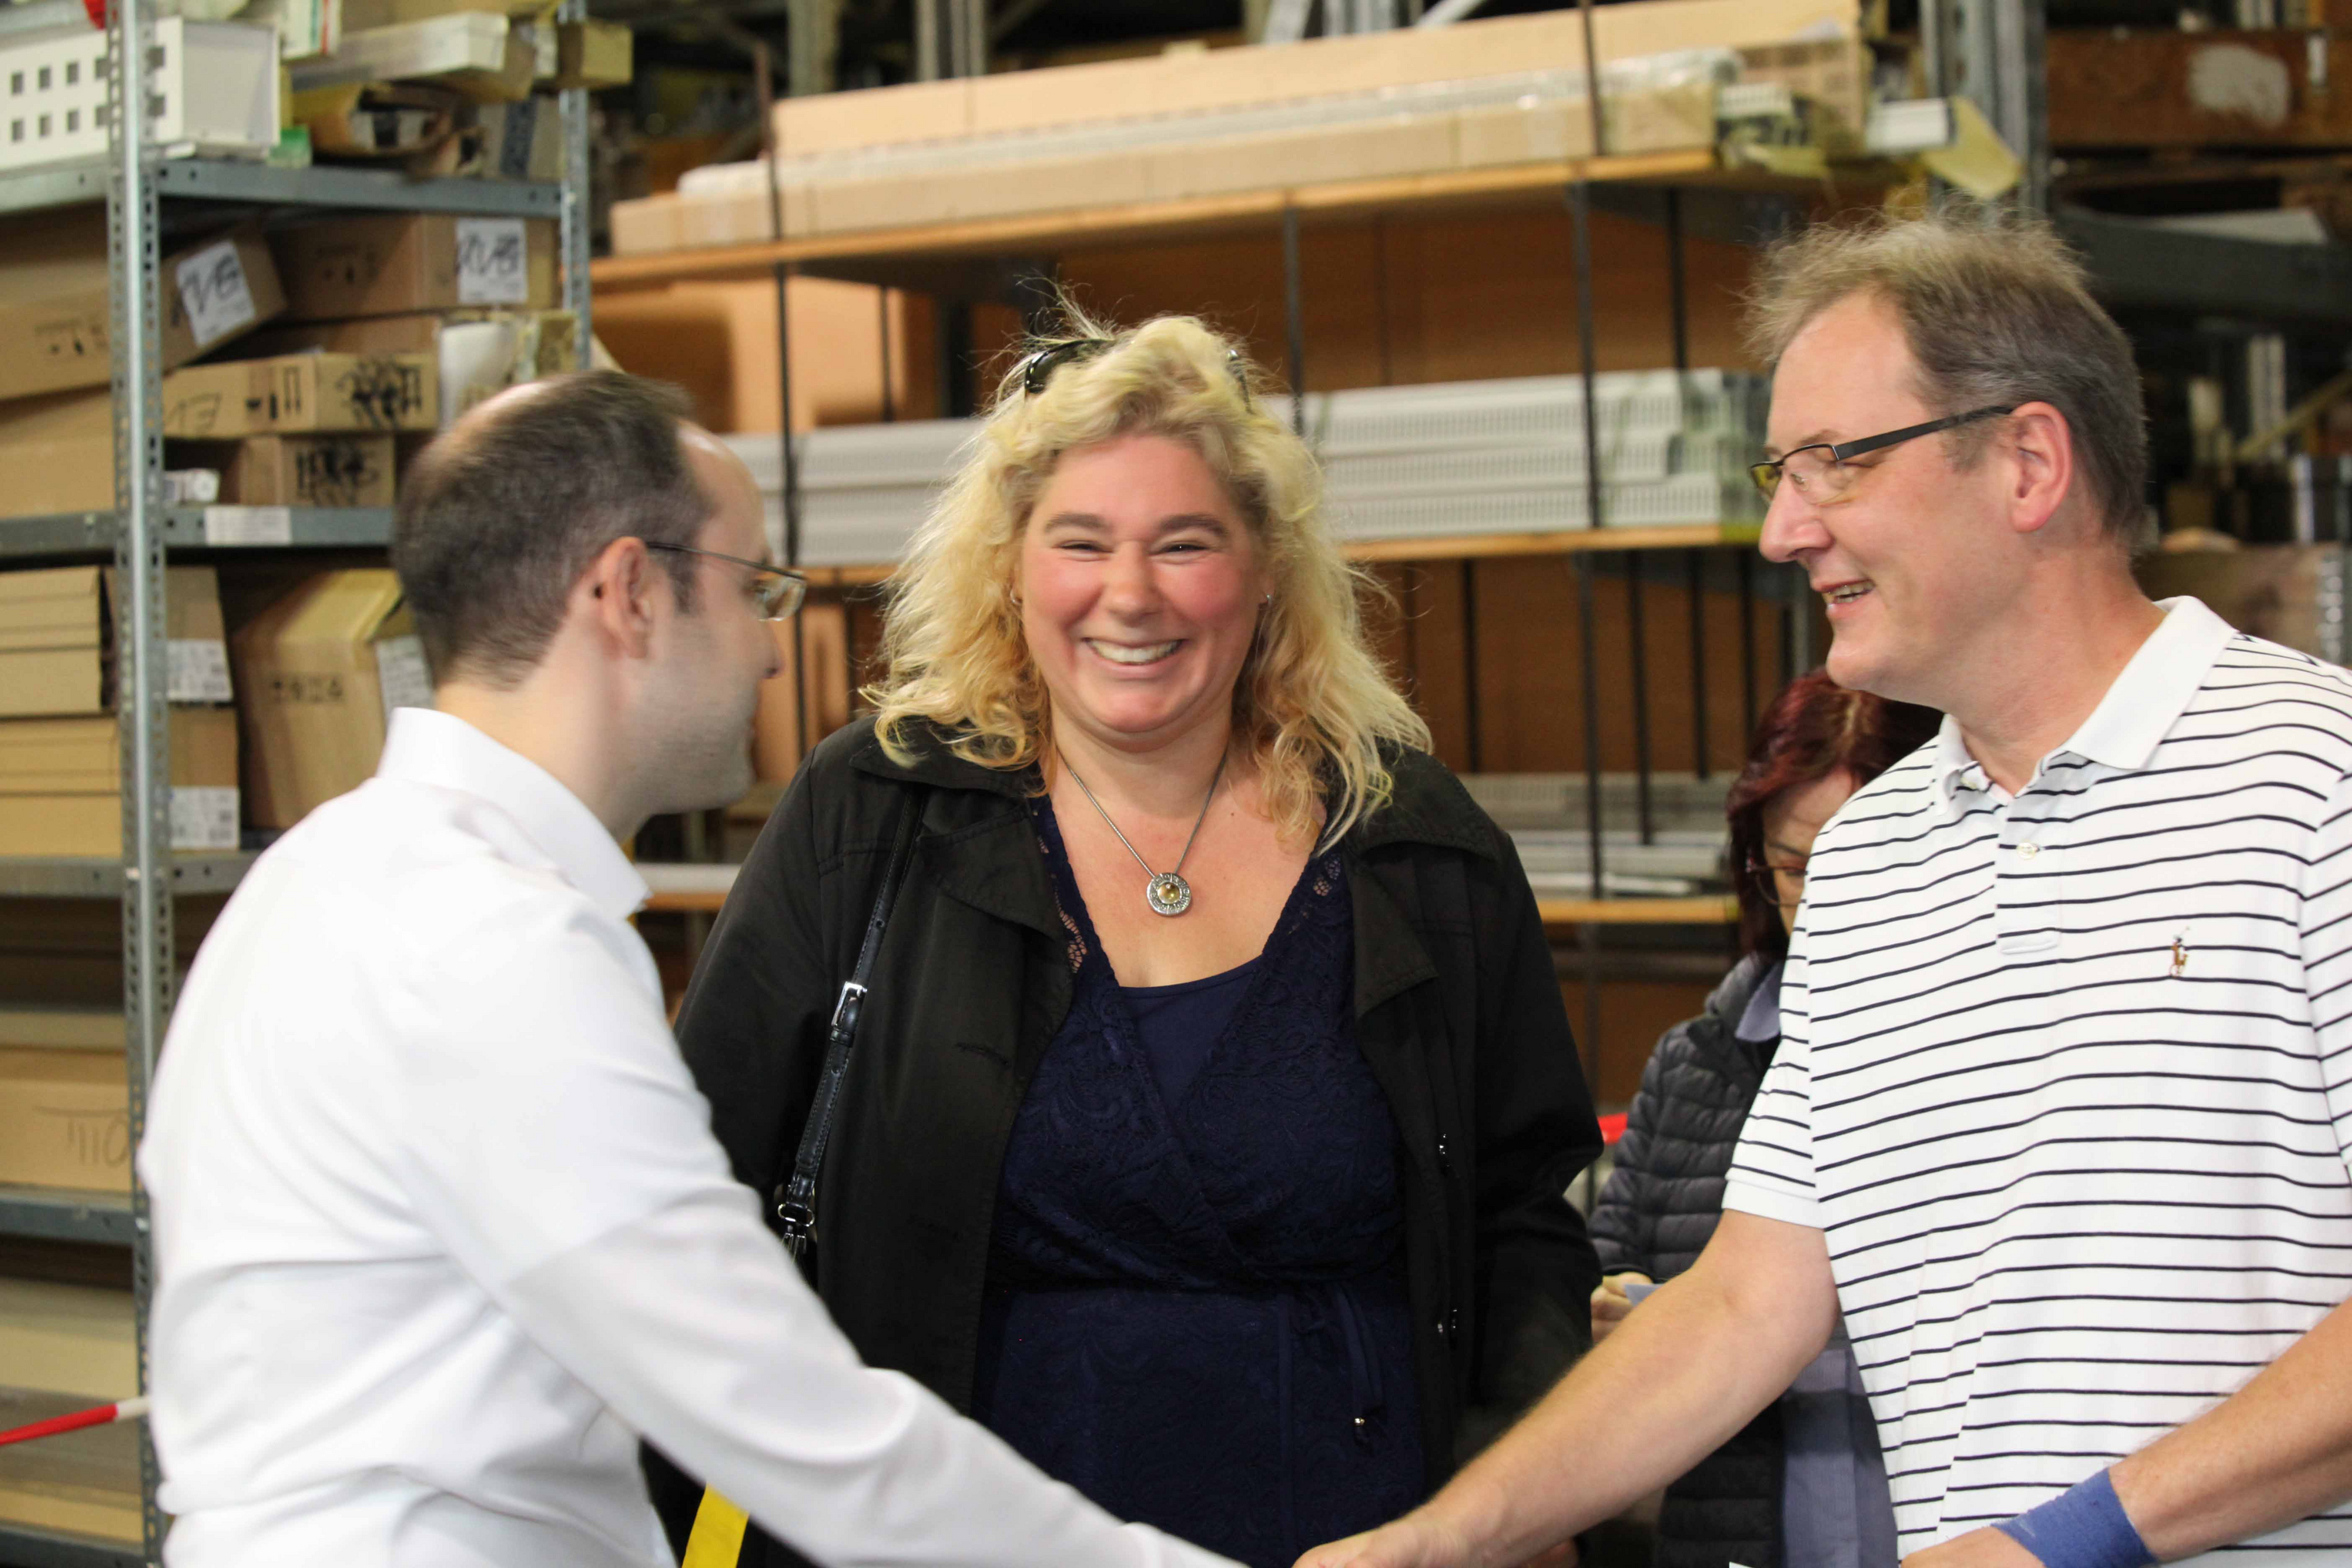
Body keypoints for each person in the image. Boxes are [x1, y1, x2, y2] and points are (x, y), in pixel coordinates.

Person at [1296, 206, 2352, 1568]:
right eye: (1780, 472)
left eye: (1836, 464)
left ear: (2029, 462)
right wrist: (1449, 1538)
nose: (1783, 531)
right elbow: (1749, 1299)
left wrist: (2059, 1544)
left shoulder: (2317, 783)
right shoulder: (1871, 858)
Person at [136, 371, 1241, 1568]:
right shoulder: (492, 950)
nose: (769, 651)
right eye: (752, 588)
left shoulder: (321, 875)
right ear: (630, 594)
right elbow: (800, 1431)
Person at [648, 311, 1604, 1568]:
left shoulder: (1413, 849)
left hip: (1348, 1535)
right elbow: (696, 1184)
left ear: (1267, 571)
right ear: (1011, 568)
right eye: (1082, 542)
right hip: (955, 1540)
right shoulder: (874, 814)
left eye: (1185, 543)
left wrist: (1512, 1499)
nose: (1132, 593)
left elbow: (1521, 1219)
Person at [1588, 670, 1936, 1568]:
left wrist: (1752, 1330)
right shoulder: (1698, 1062)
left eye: (1860, 860)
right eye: (1793, 866)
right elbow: (1608, 1266)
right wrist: (1616, 1310)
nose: (1823, 900)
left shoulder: (2003, 1046)